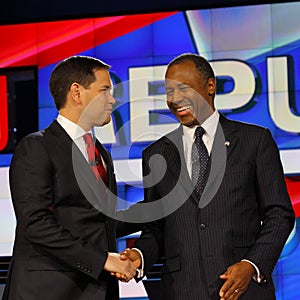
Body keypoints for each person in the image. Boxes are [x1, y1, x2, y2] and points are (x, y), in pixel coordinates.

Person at [120, 53, 295, 299]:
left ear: (210, 87)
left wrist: (251, 265)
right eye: (169, 91)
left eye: (184, 88)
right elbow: (156, 228)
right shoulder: (156, 154)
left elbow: (279, 214)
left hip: (242, 291)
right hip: (181, 291)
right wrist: (140, 256)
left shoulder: (254, 141)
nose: (174, 99)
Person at [2, 55, 138, 300]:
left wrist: (155, 210)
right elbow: (36, 224)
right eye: (105, 90)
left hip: (96, 290)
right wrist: (103, 260)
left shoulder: (101, 153)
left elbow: (98, 223)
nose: (112, 99)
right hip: (48, 292)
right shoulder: (37, 147)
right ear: (77, 92)